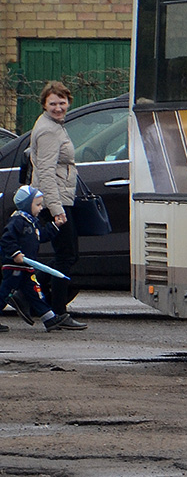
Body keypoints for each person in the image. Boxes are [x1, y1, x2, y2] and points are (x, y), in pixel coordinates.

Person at [29, 80, 87, 328]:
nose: (58, 107)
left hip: (60, 199)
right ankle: (58, 312)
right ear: (44, 104)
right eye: (52, 103)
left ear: (69, 102)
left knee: (68, 255)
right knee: (66, 256)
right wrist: (57, 210)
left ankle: (27, 291)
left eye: (62, 102)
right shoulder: (49, 130)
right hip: (56, 202)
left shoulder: (54, 125)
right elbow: (45, 172)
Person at [0, 185, 84, 331]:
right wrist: (15, 254)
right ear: (26, 205)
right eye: (37, 205)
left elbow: (41, 236)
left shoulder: (32, 223)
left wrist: (55, 226)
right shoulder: (17, 221)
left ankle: (50, 319)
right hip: (14, 267)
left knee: (35, 293)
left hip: (27, 268)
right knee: (4, 293)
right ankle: (50, 318)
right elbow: (7, 239)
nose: (40, 208)